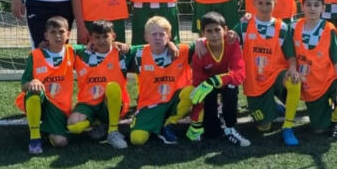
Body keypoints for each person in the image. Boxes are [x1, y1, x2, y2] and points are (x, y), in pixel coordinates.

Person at [234, 0, 301, 146]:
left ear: (275, 3)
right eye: (260, 3)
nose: (264, 7)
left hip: (276, 75)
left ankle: (288, 126)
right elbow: (229, 37)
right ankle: (273, 106)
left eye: (268, 3)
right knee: (264, 127)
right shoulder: (244, 25)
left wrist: (293, 68)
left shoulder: (282, 27)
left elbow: (291, 56)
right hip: (254, 80)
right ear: (253, 3)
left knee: (294, 82)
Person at [292, 0, 337, 140]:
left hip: (330, 79)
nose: (312, 8)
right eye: (308, 4)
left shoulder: (328, 29)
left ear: (323, 8)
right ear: (302, 7)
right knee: (318, 129)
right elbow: (275, 26)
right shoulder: (294, 27)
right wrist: (248, 20)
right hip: (311, 84)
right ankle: (325, 116)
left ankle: (334, 119)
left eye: (316, 5)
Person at [187, 11, 250, 147]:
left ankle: (230, 127)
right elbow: (198, 85)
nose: (214, 35)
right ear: (203, 33)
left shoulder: (232, 43)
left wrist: (215, 80)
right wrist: (196, 120)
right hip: (208, 87)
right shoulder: (199, 51)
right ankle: (214, 119)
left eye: (217, 30)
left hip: (225, 83)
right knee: (211, 133)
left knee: (231, 88)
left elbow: (239, 74)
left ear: (225, 30)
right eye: (209, 31)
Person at [15, 16, 76, 154]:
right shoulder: (35, 55)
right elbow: (24, 85)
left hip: (59, 107)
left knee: (60, 142)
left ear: (68, 34)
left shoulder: (73, 51)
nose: (58, 36)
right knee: (34, 91)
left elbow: (98, 48)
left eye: (61, 32)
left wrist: (116, 44)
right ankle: (35, 138)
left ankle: (47, 130)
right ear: (46, 36)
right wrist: (33, 82)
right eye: (53, 32)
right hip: (41, 100)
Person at [66, 20, 131, 149]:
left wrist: (169, 44)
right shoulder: (81, 53)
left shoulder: (122, 52)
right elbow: (60, 47)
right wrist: (46, 44)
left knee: (113, 87)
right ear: (90, 38)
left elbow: (150, 47)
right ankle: (96, 122)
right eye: (97, 37)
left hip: (111, 103)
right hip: (89, 102)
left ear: (113, 36)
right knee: (73, 126)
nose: (101, 41)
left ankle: (113, 131)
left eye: (105, 36)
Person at [129, 16, 194, 145]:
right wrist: (116, 44)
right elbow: (111, 49)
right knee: (137, 139)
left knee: (191, 91)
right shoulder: (137, 53)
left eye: (162, 34)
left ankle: (169, 124)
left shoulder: (182, 51)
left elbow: (205, 42)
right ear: (146, 37)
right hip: (150, 104)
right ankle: (155, 123)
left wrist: (201, 42)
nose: (158, 37)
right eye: (154, 34)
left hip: (173, 101)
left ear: (169, 36)